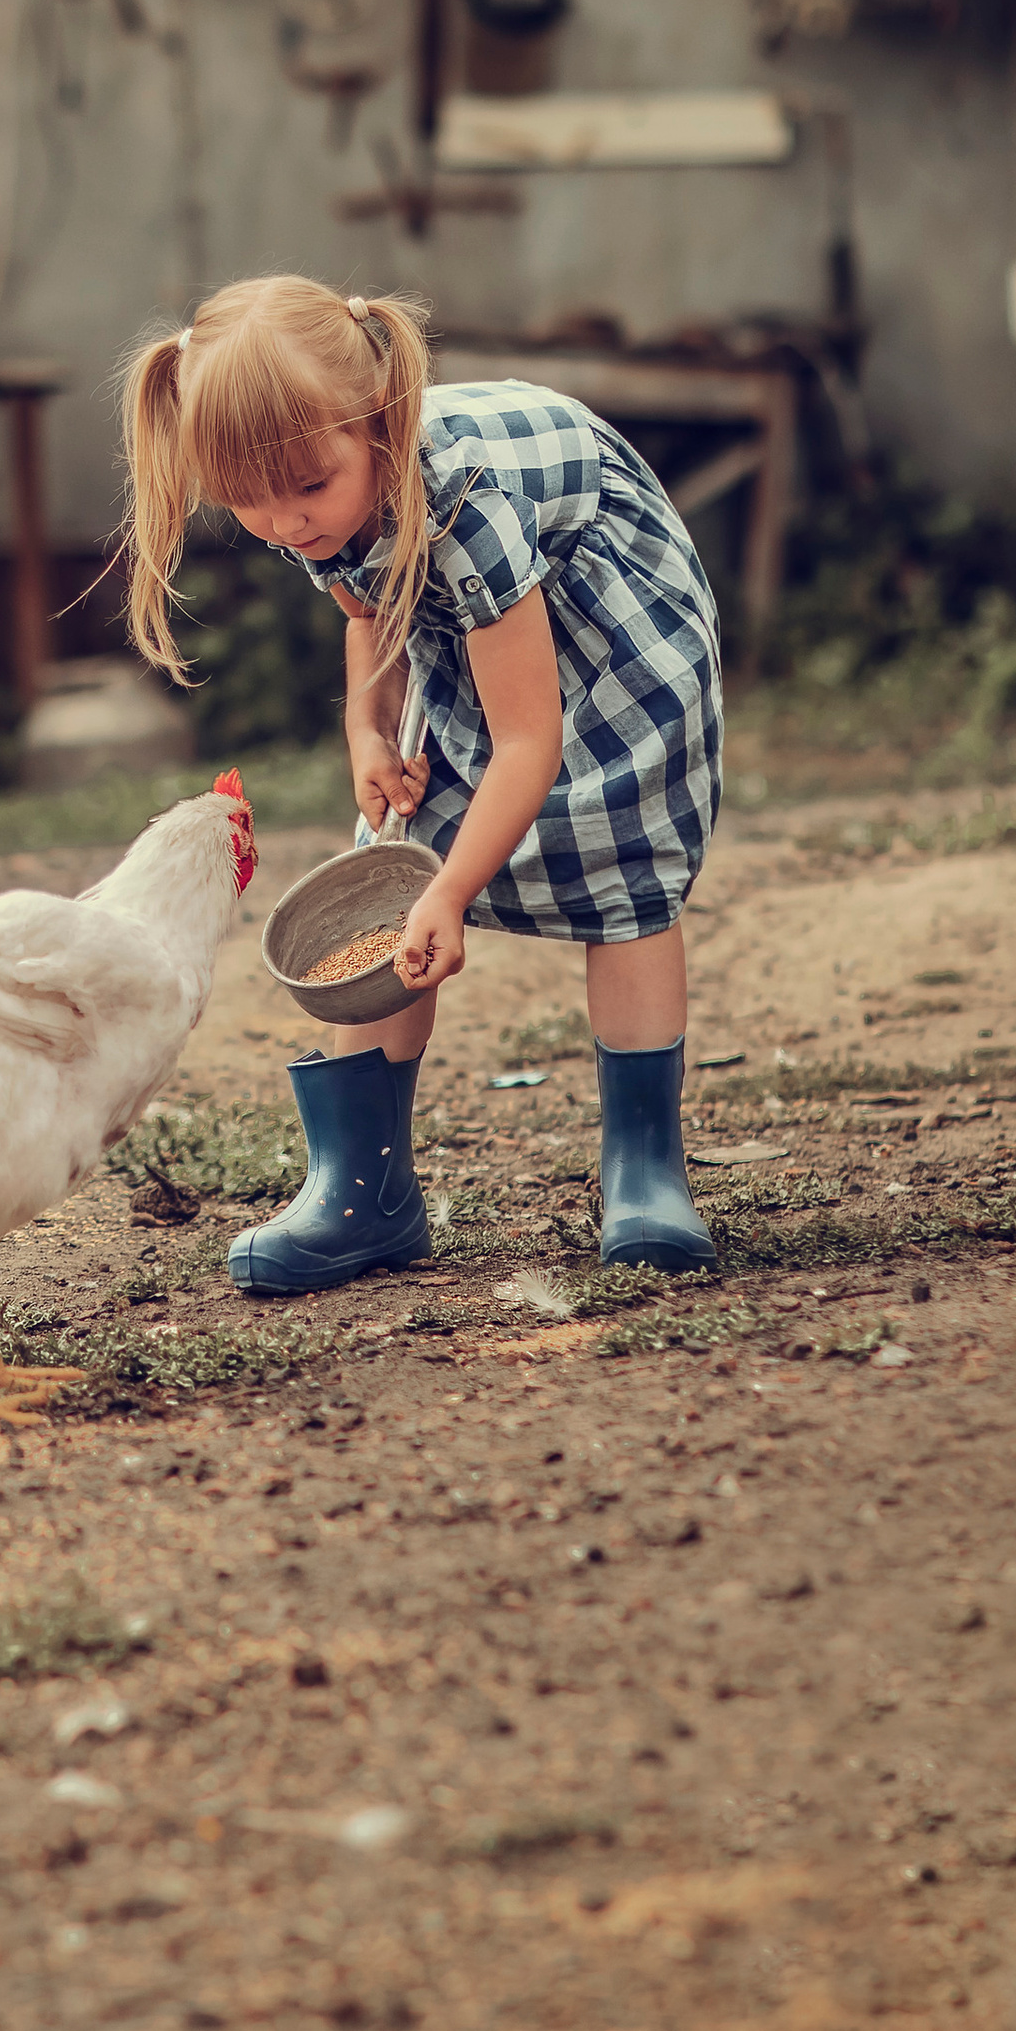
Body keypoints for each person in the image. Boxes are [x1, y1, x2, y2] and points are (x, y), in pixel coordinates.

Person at [120, 273, 723, 1293]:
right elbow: (368, 599)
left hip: (608, 622)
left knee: (621, 873)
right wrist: (364, 725)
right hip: (472, 620)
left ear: (379, 432)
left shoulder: (466, 505)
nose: (284, 521)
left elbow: (530, 738)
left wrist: (450, 893)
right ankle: (363, 1190)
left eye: (308, 489)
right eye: (249, 502)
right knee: (392, 863)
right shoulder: (310, 497)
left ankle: (644, 1171)